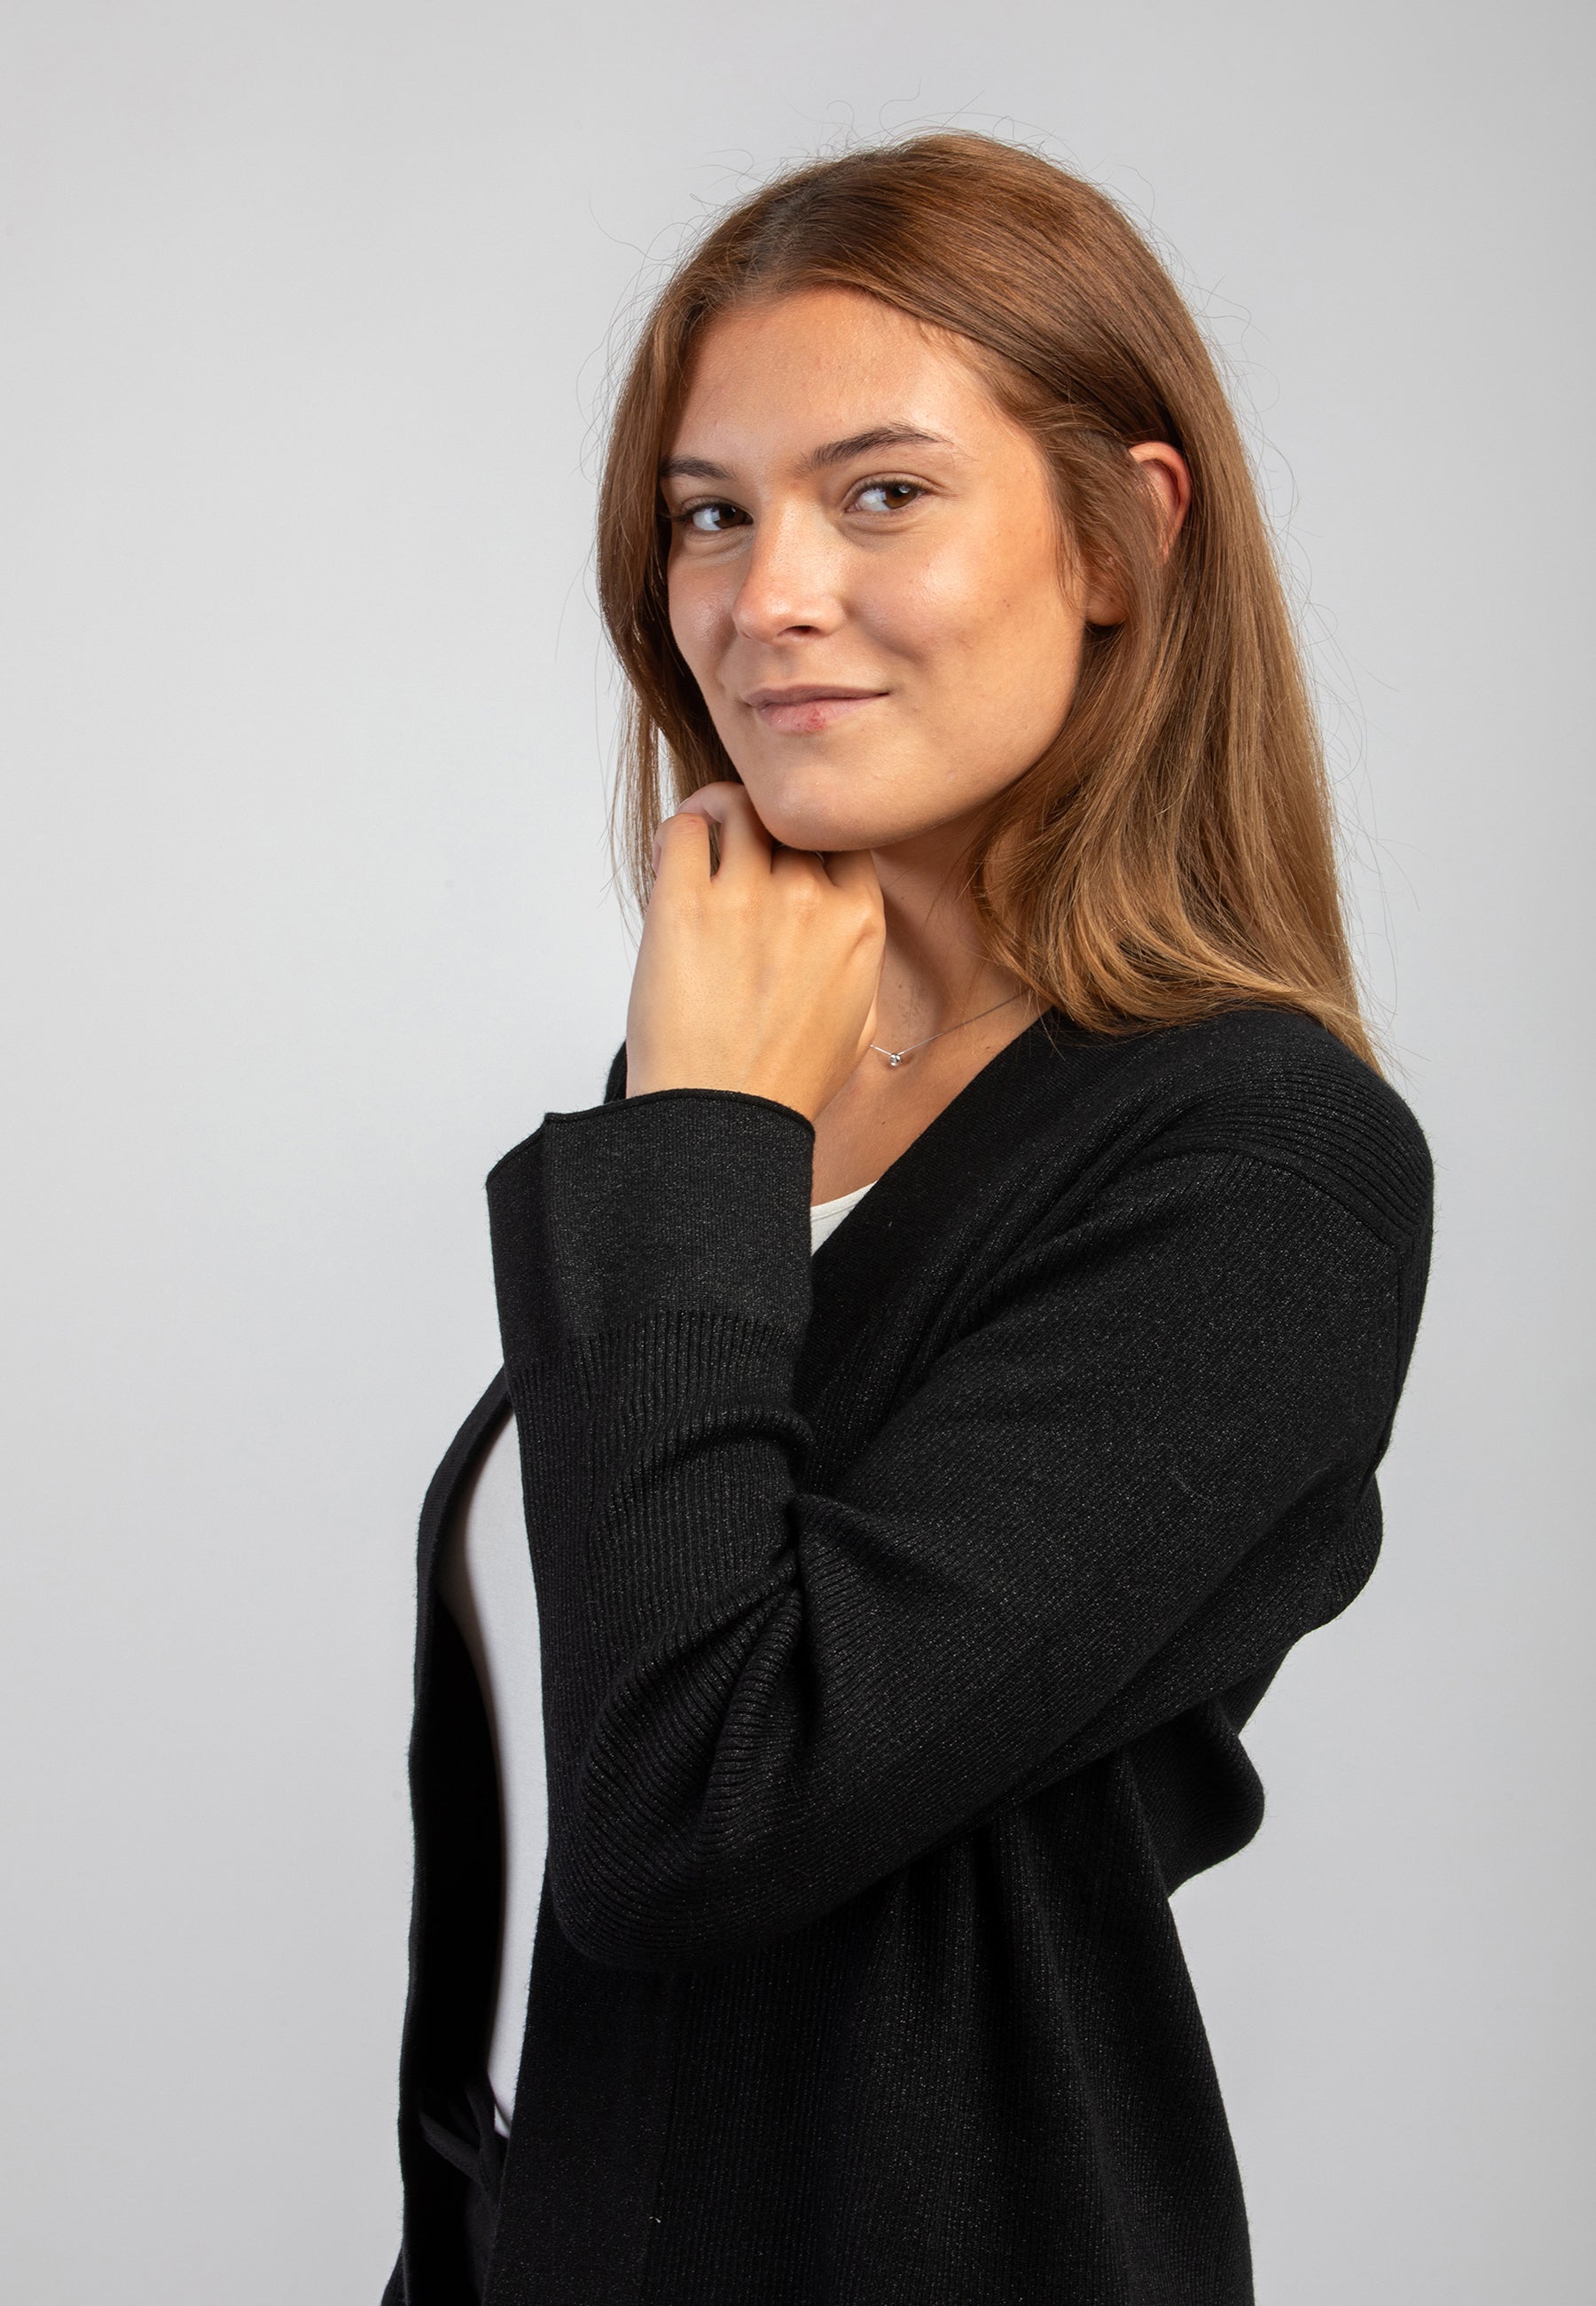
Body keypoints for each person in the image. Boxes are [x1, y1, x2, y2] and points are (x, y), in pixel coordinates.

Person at [382, 132, 1433, 2306]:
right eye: (710, 512)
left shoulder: (1256, 1166)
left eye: (879, 493)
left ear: (1123, 536)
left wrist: (700, 1132)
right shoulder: (748, 1082)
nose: (766, 595)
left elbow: (695, 1810)